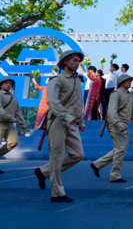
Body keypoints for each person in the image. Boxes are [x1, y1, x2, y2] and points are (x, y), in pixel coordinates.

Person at [34, 50, 86, 202]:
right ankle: (57, 193)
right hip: (57, 120)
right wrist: (67, 116)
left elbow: (78, 102)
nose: (77, 64)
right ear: (65, 62)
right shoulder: (56, 80)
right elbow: (53, 102)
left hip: (72, 122)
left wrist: (81, 121)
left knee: (78, 154)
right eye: (75, 61)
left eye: (78, 61)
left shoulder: (77, 80)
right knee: (56, 157)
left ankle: (43, 172)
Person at [91, 74, 133, 183]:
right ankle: (115, 174)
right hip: (116, 124)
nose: (129, 82)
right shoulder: (116, 93)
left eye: (130, 80)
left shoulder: (128, 95)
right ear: (121, 82)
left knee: (120, 148)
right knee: (121, 149)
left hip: (123, 124)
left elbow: (132, 110)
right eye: (127, 80)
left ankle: (97, 164)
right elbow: (111, 111)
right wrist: (119, 124)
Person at [0, 78, 27, 174]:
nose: (8, 85)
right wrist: (11, 118)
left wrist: (22, 123)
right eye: (6, 83)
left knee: (13, 142)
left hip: (10, 124)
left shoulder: (13, 97)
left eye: (10, 83)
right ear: (1, 85)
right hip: (1, 123)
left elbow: (18, 110)